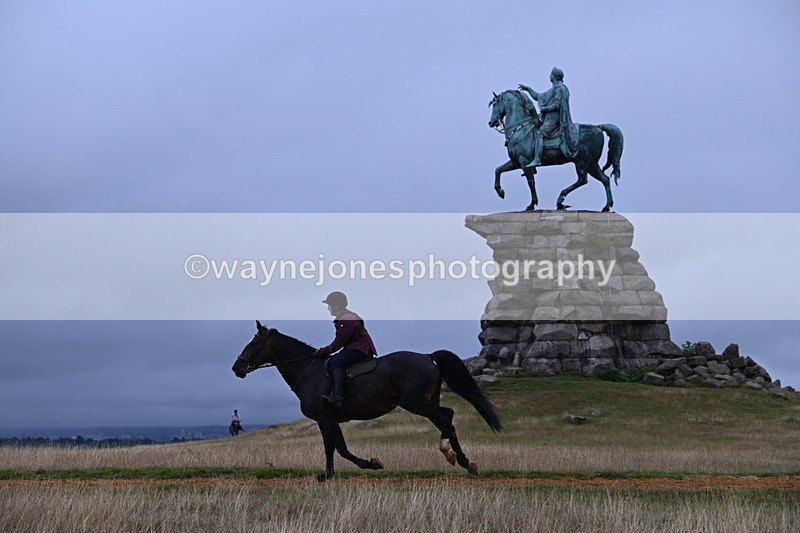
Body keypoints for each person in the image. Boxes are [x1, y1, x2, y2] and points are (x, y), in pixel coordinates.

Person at [314, 291, 377, 407]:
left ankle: (338, 396)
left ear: (336, 306)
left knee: (336, 363)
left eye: (329, 305)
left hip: (359, 348)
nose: (328, 308)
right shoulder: (345, 318)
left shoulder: (347, 319)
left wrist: (323, 351)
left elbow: (339, 342)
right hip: (356, 346)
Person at [518, 67, 579, 169]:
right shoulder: (553, 90)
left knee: (539, 133)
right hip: (548, 119)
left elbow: (557, 105)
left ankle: (537, 159)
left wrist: (545, 109)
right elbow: (538, 96)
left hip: (554, 120)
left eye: (551, 74)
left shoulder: (560, 88)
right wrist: (528, 89)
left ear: (555, 76)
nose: (549, 76)